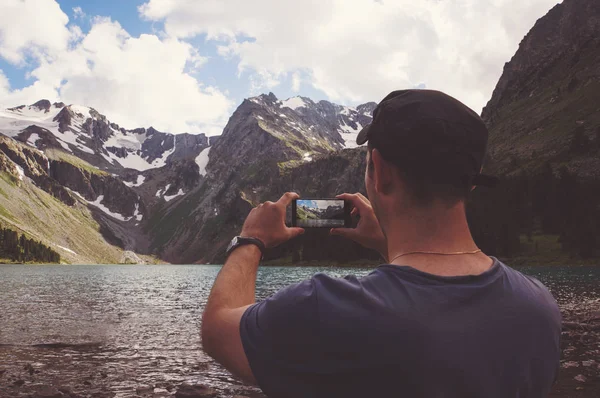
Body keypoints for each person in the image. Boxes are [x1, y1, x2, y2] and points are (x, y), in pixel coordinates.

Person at [201, 89, 562, 398]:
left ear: (381, 170)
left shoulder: (325, 308)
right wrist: (388, 247)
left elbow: (218, 331)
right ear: (469, 183)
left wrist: (251, 240)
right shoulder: (538, 304)